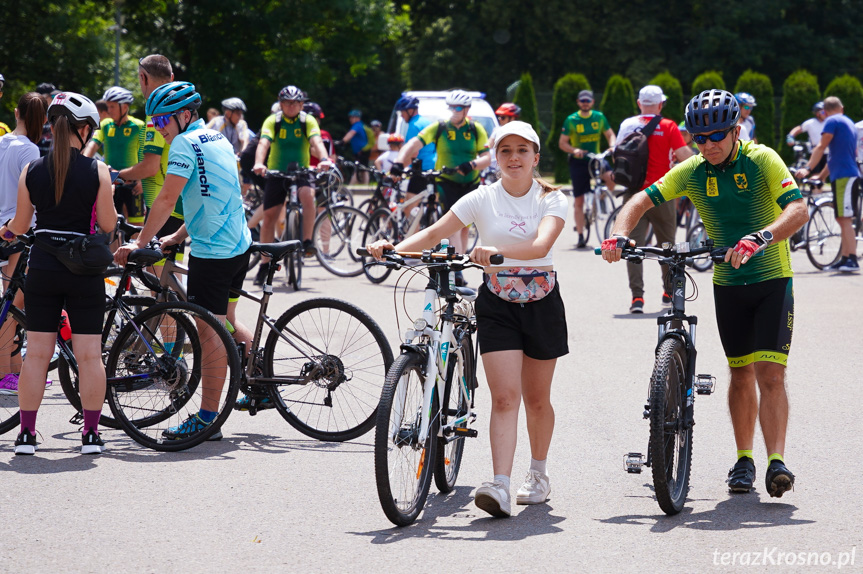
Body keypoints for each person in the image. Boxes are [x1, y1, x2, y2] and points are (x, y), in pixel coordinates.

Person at [601, 89, 809, 498]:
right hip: (728, 284)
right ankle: (745, 459)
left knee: (770, 373)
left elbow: (797, 209)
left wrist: (761, 237)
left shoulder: (761, 158)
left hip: (771, 281)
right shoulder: (693, 170)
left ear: (735, 130)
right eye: (700, 138)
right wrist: (619, 234)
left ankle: (777, 461)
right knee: (740, 372)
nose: (709, 144)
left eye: (717, 135)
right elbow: (640, 199)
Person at [367, 121, 568, 517]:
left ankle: (539, 474)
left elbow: (541, 244)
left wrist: (494, 250)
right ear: (495, 157)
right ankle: (501, 485)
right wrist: (394, 248)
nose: (514, 158)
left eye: (522, 151)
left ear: (535, 157)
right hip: (497, 303)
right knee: (505, 397)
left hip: (543, 301)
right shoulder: (481, 197)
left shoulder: (551, 198)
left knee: (537, 400)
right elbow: (435, 232)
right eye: (505, 150)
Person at [113, 81, 254, 439]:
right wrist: (177, 236)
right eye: (154, 124)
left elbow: (165, 200)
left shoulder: (183, 144)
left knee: (210, 335)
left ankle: (208, 420)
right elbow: (210, 195)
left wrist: (140, 242)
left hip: (215, 253)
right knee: (224, 322)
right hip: (238, 245)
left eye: (162, 122)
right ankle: (258, 377)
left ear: (185, 115)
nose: (158, 130)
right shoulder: (217, 137)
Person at [1, 92, 117, 455]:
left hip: (44, 267)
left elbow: (20, 225)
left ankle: (26, 436)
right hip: (83, 269)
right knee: (89, 355)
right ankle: (92, 435)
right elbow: (109, 223)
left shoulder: (31, 169)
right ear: (83, 130)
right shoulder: (96, 170)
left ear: (52, 125)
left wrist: (5, 232)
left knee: (36, 355)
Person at [391, 90, 491, 285]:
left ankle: (458, 262)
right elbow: (413, 144)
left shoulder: (475, 129)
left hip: (471, 183)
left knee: (464, 229)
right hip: (447, 182)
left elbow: (487, 158)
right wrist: (399, 162)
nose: (454, 111)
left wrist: (471, 165)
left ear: (466, 109)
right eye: (452, 107)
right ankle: (458, 269)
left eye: (459, 108)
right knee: (455, 224)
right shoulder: (440, 128)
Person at [615, 85, 694, 313]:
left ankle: (637, 298)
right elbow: (684, 157)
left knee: (633, 247)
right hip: (663, 193)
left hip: (634, 194)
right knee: (667, 246)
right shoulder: (668, 126)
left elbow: (616, 153)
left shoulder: (628, 124)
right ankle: (669, 292)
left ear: (639, 104)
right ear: (660, 105)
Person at [251, 85, 330, 285]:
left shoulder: (307, 120)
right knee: (269, 217)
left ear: (301, 104)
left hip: (301, 170)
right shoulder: (273, 121)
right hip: (277, 172)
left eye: (295, 103)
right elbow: (263, 143)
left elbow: (317, 141)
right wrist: (259, 163)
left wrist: (325, 159)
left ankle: (307, 241)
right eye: (286, 102)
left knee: (308, 196)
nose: (291, 106)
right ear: (281, 104)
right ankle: (264, 264)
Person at [0, 92, 47, 395]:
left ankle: (14, 370)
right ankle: (5, 374)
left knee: (12, 303)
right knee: (12, 305)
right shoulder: (30, 151)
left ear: (16, 112)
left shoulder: (2, 142)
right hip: (19, 233)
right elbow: (37, 195)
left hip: (3, 229)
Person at [116, 55, 185, 246]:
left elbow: (150, 167)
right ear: (171, 77)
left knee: (155, 271)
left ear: (143, 77)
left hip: (163, 206)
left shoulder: (156, 110)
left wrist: (114, 175)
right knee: (169, 272)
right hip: (176, 203)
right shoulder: (179, 105)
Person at [796, 96, 860, 272]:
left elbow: (821, 147)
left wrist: (808, 169)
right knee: (842, 218)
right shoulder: (848, 122)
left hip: (845, 176)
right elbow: (835, 157)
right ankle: (845, 257)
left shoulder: (832, 121)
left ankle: (852, 259)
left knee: (845, 219)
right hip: (846, 174)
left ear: (824, 111)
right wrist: (822, 177)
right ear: (842, 108)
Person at [557, 89, 616, 248]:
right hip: (579, 161)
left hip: (595, 158)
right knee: (579, 200)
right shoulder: (571, 120)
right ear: (578, 102)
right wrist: (574, 150)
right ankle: (581, 235)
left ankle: (600, 200)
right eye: (582, 101)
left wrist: (611, 147)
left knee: (611, 178)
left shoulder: (599, 117)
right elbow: (562, 143)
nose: (585, 103)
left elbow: (610, 134)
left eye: (587, 101)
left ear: (592, 102)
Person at [83, 86, 147, 224]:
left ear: (124, 107)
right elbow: (93, 144)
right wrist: (81, 161)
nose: (109, 110)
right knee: (111, 228)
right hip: (110, 183)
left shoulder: (139, 126)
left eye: (112, 107)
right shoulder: (105, 124)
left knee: (136, 227)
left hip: (133, 183)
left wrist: (143, 181)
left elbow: (147, 156)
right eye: (107, 107)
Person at [393, 94, 436, 196]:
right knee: (432, 202)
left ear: (410, 110)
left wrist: (398, 169)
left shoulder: (413, 125)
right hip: (433, 167)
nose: (402, 115)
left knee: (408, 207)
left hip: (420, 169)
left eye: (402, 112)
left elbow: (413, 152)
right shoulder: (426, 122)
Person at [787, 102, 828, 174]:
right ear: (817, 113)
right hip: (815, 151)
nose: (825, 113)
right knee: (815, 174)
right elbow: (798, 129)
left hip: (828, 151)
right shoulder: (810, 123)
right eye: (823, 112)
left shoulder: (829, 122)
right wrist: (790, 136)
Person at [34, 83, 57, 156]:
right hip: (34, 159)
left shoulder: (55, 114)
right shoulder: (31, 115)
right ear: (42, 97)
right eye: (52, 96)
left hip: (52, 159)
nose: (54, 99)